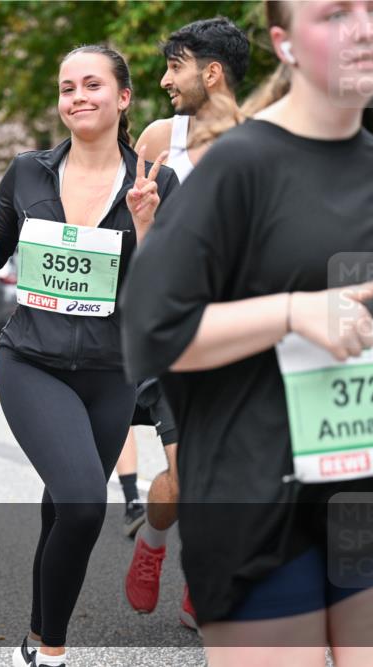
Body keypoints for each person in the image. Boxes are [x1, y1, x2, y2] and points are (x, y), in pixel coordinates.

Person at [122, 1, 373, 665]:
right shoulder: (240, 165)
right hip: (257, 499)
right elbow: (150, 330)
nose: (364, 29)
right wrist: (292, 312)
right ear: (284, 42)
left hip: (368, 494)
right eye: (334, 14)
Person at [0, 45, 176, 667]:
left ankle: (37, 635)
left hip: (111, 372)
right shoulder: (29, 172)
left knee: (61, 508)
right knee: (82, 503)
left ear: (123, 98)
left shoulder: (155, 182)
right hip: (32, 361)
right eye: (67, 87)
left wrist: (146, 226)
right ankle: (53, 652)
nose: (78, 97)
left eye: (92, 85)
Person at [123, 15, 250, 630]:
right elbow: (115, 227)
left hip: (241, 334)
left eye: (175, 65)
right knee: (186, 474)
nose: (165, 79)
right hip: (173, 333)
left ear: (212, 71)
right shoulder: (155, 139)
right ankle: (153, 542)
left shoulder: (261, 142)